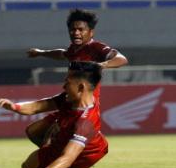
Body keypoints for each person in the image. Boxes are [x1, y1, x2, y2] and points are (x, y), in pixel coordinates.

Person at [26, 8, 128, 148]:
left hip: (83, 109)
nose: (76, 33)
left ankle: (65, 161)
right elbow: (62, 54)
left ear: (91, 32)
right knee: (34, 132)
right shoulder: (73, 50)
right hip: (69, 104)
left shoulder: (96, 48)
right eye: (73, 30)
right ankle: (58, 159)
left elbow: (121, 59)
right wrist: (41, 53)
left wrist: (102, 65)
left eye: (81, 29)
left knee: (47, 138)